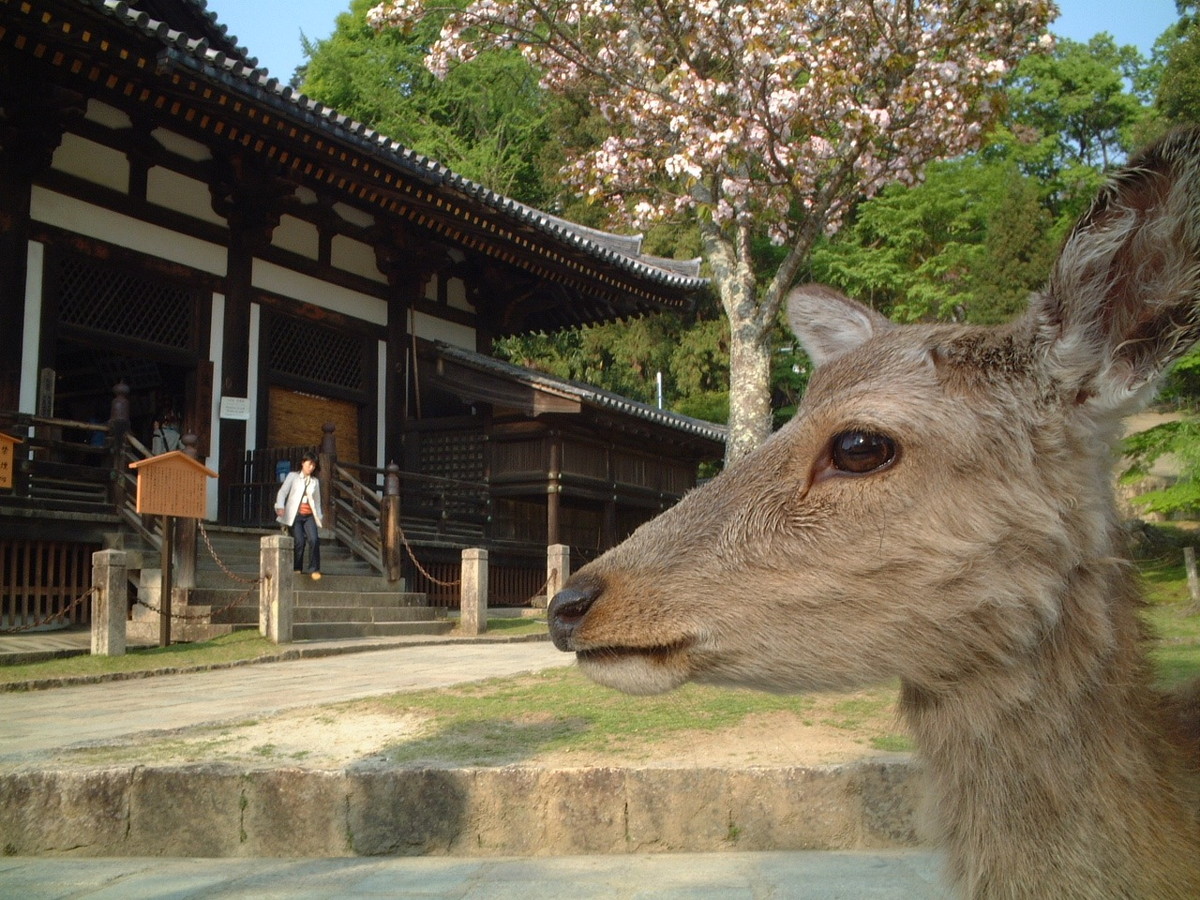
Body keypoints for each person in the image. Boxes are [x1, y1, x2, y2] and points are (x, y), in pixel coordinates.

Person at [275, 453, 323, 579]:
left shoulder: (315, 482)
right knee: (299, 541)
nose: (311, 467)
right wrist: (280, 506)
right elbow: (282, 492)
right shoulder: (293, 476)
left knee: (314, 539)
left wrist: (319, 516)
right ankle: (297, 567)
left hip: (309, 515)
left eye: (314, 465)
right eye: (309, 464)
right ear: (303, 463)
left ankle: (314, 568)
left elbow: (317, 501)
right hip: (295, 515)